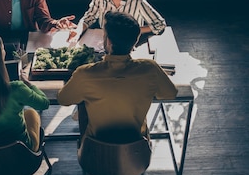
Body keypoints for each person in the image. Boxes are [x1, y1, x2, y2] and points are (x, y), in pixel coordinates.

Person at [57, 11, 177, 141]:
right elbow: (171, 93)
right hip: (136, 150)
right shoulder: (150, 68)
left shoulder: (85, 74)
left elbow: (63, 99)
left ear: (108, 41)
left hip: (95, 148)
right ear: (135, 40)